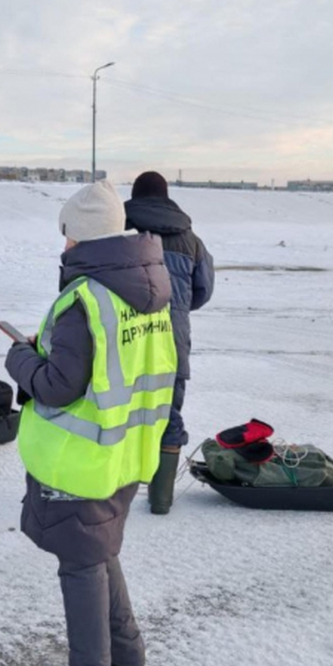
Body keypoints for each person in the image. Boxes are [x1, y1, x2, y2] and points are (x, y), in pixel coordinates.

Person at [5, 181, 177, 666]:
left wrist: (20, 358)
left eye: (67, 237)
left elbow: (59, 385)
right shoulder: (150, 285)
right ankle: (129, 661)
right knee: (100, 553)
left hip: (79, 461)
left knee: (81, 566)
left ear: (81, 238)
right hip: (125, 452)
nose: (64, 247)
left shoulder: (85, 298)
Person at [123, 171, 214, 514]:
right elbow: (203, 291)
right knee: (169, 413)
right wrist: (176, 307)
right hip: (172, 341)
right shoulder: (191, 241)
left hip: (125, 336)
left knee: (118, 411)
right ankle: (160, 500)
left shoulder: (122, 231)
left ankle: (115, 492)